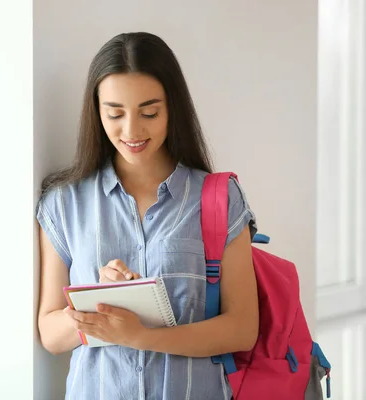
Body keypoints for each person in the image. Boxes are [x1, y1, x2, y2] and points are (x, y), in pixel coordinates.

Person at [36, 32, 259, 400]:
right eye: (115, 113)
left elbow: (241, 328)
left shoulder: (218, 198)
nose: (132, 131)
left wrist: (141, 336)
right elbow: (50, 334)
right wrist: (100, 300)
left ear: (173, 108)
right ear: (97, 111)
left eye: (149, 112)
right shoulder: (64, 203)